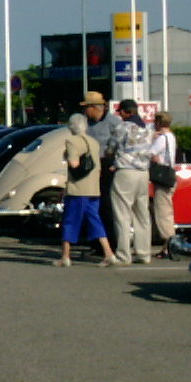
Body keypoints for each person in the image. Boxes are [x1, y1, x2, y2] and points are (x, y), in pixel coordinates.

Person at [55, 112, 117, 267]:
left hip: (78, 189)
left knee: (70, 221)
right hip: (94, 188)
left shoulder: (72, 141)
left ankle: (65, 256)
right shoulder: (94, 142)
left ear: (71, 127)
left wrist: (67, 157)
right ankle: (108, 252)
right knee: (95, 220)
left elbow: (74, 164)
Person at [107, 98, 154, 264]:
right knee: (142, 214)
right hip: (143, 172)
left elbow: (111, 148)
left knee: (122, 214)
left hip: (125, 171)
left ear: (125, 112)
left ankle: (123, 254)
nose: (119, 115)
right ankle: (144, 253)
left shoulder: (123, 127)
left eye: (120, 112)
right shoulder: (147, 128)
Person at [80, 91, 121, 247]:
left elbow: (120, 144)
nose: (85, 111)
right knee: (92, 205)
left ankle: (111, 242)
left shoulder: (113, 122)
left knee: (107, 205)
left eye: (86, 107)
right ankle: (96, 242)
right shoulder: (85, 123)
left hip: (107, 165)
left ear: (94, 108)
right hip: (90, 165)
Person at [150, 111, 179, 256]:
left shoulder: (161, 138)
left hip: (162, 178)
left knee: (163, 212)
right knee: (167, 210)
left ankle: (169, 244)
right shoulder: (171, 137)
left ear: (159, 122)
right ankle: (167, 246)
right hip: (170, 175)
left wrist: (151, 138)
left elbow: (150, 153)